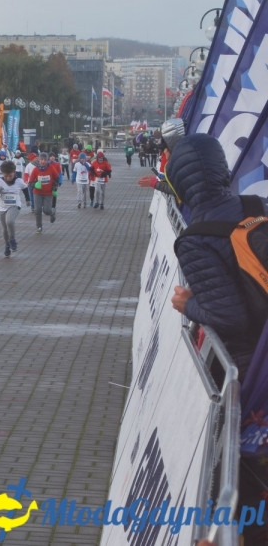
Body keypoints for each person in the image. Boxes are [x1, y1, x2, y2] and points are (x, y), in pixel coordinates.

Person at [167, 133, 268, 539]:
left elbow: (229, 317)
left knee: (243, 478)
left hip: (251, 373)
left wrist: (186, 305)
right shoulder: (256, 207)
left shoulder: (195, 238)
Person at [0, 160, 27, 257]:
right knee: (5, 228)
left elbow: (25, 189)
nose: (8, 178)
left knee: (9, 221)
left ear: (14, 172)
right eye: (5, 176)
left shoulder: (19, 181)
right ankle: (7, 246)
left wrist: (28, 200)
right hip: (2, 207)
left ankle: (12, 240)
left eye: (10, 176)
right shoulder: (0, 182)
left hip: (14, 206)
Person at [26, 152, 58, 234]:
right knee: (38, 210)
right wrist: (35, 184)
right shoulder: (36, 170)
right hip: (37, 192)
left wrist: (55, 186)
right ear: (39, 160)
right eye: (41, 160)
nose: (43, 161)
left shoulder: (51, 168)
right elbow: (30, 182)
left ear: (47, 160)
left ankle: (52, 212)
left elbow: (56, 178)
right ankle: (39, 227)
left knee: (46, 210)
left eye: (44, 160)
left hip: (48, 192)